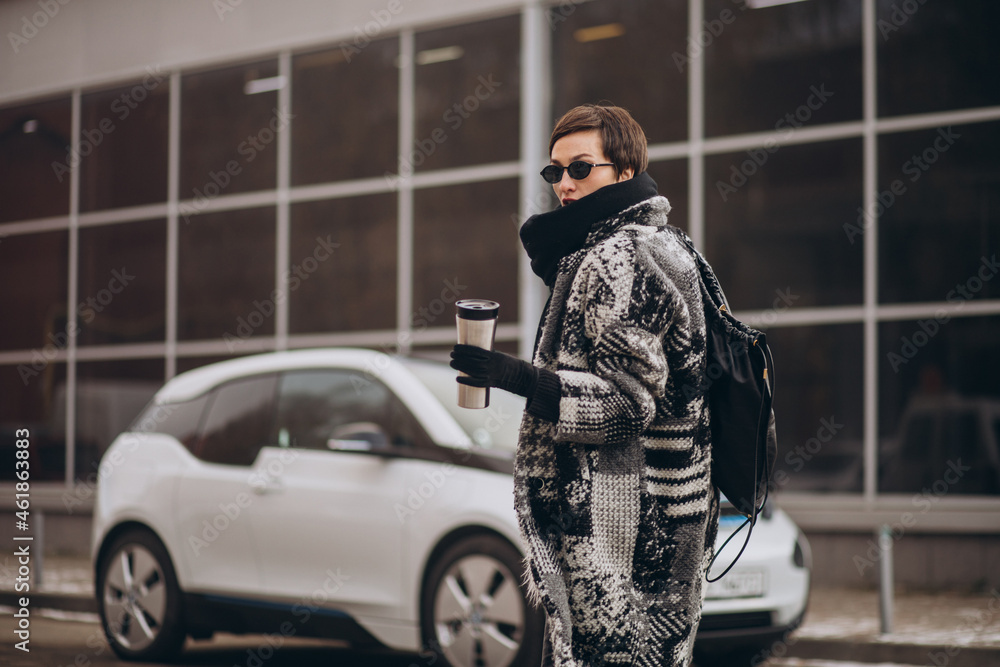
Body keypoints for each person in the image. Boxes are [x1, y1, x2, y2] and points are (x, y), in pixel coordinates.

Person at [451, 103, 720, 667]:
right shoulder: (666, 245)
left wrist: (514, 377)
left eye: (581, 168)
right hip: (662, 523)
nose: (565, 185)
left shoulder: (618, 257)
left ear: (624, 171)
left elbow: (627, 407)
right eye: (555, 172)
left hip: (619, 539)